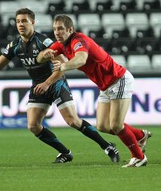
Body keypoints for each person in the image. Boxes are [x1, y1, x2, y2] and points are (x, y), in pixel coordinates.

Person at [0, 8, 120, 163]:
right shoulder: (15, 45)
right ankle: (65, 153)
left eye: (24, 21)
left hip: (56, 83)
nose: (20, 24)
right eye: (18, 21)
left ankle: (107, 146)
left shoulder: (44, 42)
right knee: (33, 126)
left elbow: (63, 66)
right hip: (39, 86)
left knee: (73, 121)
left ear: (33, 22)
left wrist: (47, 83)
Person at [36, 14, 151, 168]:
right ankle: (140, 135)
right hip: (105, 86)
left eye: (60, 29)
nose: (57, 32)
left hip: (118, 79)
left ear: (70, 29)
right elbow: (39, 59)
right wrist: (45, 54)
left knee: (116, 125)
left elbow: (81, 59)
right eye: (55, 29)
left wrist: (63, 66)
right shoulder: (60, 44)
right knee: (103, 126)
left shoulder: (78, 40)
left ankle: (139, 157)